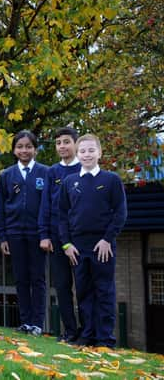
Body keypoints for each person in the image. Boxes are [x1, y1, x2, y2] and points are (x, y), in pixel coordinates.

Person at [60, 134, 127, 348]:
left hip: (103, 247)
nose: (87, 155)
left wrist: (108, 239)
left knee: (104, 291)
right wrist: (66, 244)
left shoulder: (111, 180)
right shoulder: (70, 182)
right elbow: (61, 215)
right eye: (82, 151)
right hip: (77, 248)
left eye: (91, 150)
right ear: (77, 154)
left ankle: (105, 339)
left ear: (99, 153)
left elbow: (120, 212)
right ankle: (87, 335)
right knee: (83, 291)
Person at [0, 130, 48, 336]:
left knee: (38, 278)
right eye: (20, 146)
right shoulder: (7, 175)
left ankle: (37, 323)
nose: (24, 150)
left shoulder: (46, 173)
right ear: (14, 150)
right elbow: (1, 207)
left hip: (38, 234)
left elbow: (48, 205)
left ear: (35, 149)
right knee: (20, 278)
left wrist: (47, 234)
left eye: (28, 146)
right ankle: (25, 321)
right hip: (14, 234)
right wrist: (2, 236)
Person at [38, 127, 81, 342]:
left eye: (66, 142)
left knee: (84, 286)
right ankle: (70, 332)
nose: (62, 146)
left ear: (76, 143)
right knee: (62, 287)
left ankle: (88, 331)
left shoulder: (84, 167)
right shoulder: (52, 172)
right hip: (56, 239)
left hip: (81, 237)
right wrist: (44, 235)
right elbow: (45, 204)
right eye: (58, 143)